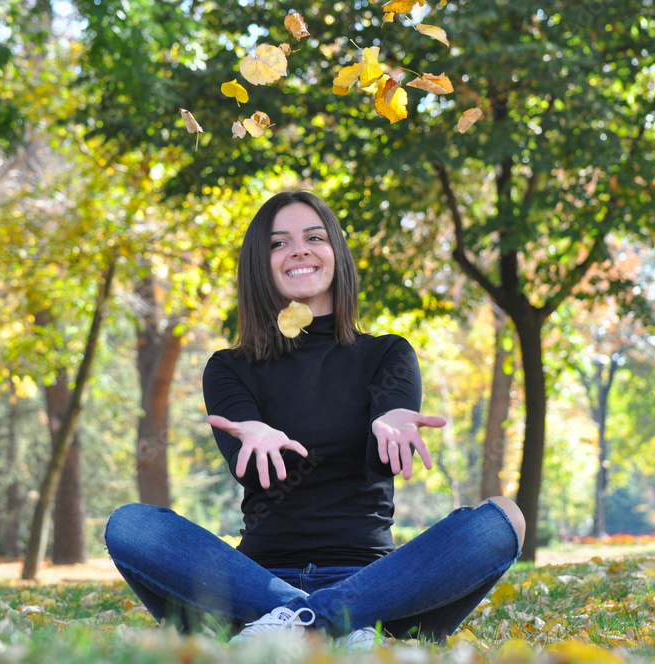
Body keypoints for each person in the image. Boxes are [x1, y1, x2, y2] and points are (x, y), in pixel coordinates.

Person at [105, 191, 525, 647]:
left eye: (314, 238)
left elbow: (386, 444)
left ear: (336, 253)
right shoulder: (229, 367)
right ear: (259, 264)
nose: (299, 250)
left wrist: (388, 424)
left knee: (505, 518)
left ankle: (304, 621)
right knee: (130, 525)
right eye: (278, 243)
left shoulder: (387, 353)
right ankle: (329, 625)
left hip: (375, 588)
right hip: (254, 586)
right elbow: (250, 470)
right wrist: (254, 434)